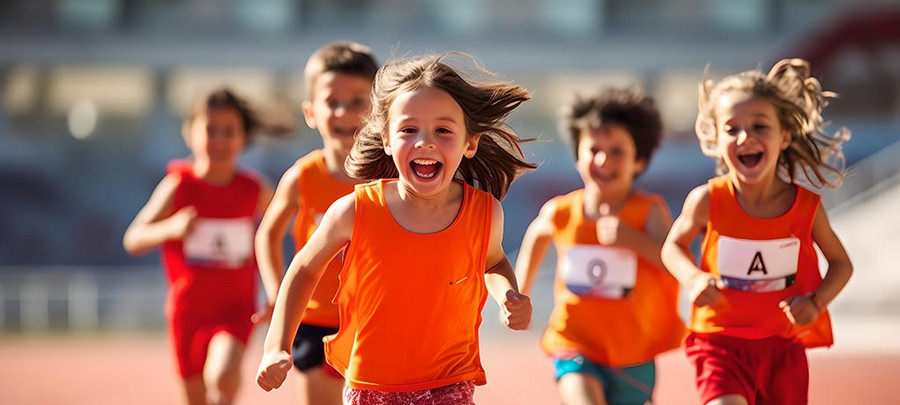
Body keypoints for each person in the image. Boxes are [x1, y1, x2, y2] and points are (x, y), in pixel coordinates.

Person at [256, 52, 537, 404]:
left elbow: (492, 262)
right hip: (373, 388)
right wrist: (275, 347)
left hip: (449, 383)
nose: (425, 141)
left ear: (470, 143)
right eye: (408, 129)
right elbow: (304, 268)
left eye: (443, 130)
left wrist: (508, 294)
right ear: (387, 139)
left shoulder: (484, 213)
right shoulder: (354, 210)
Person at [660, 58, 853, 405]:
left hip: (783, 349)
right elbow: (672, 246)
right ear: (717, 141)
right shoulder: (707, 200)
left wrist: (816, 302)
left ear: (785, 136)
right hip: (719, 344)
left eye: (759, 126)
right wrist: (692, 279)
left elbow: (842, 264)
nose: (745, 137)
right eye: (732, 129)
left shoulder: (807, 207)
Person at [515, 87, 685, 405]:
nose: (604, 160)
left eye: (617, 151)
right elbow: (536, 237)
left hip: (633, 351)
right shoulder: (561, 211)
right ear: (578, 156)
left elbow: (674, 261)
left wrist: (632, 240)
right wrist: (519, 294)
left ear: (639, 161)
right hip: (574, 342)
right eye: (594, 150)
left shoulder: (649, 211)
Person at [123, 88, 285, 404]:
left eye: (229, 132)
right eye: (211, 130)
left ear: (243, 138)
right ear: (190, 134)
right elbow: (133, 239)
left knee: (223, 377)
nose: (220, 140)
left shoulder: (254, 190)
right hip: (188, 312)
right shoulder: (178, 186)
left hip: (237, 309)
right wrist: (171, 227)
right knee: (195, 397)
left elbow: (292, 220)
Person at [253, 41, 378, 405]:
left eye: (357, 101)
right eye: (331, 101)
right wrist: (278, 294)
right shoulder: (303, 177)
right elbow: (268, 235)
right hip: (315, 321)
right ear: (310, 112)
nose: (344, 112)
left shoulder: (391, 177)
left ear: (378, 109)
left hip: (374, 321)